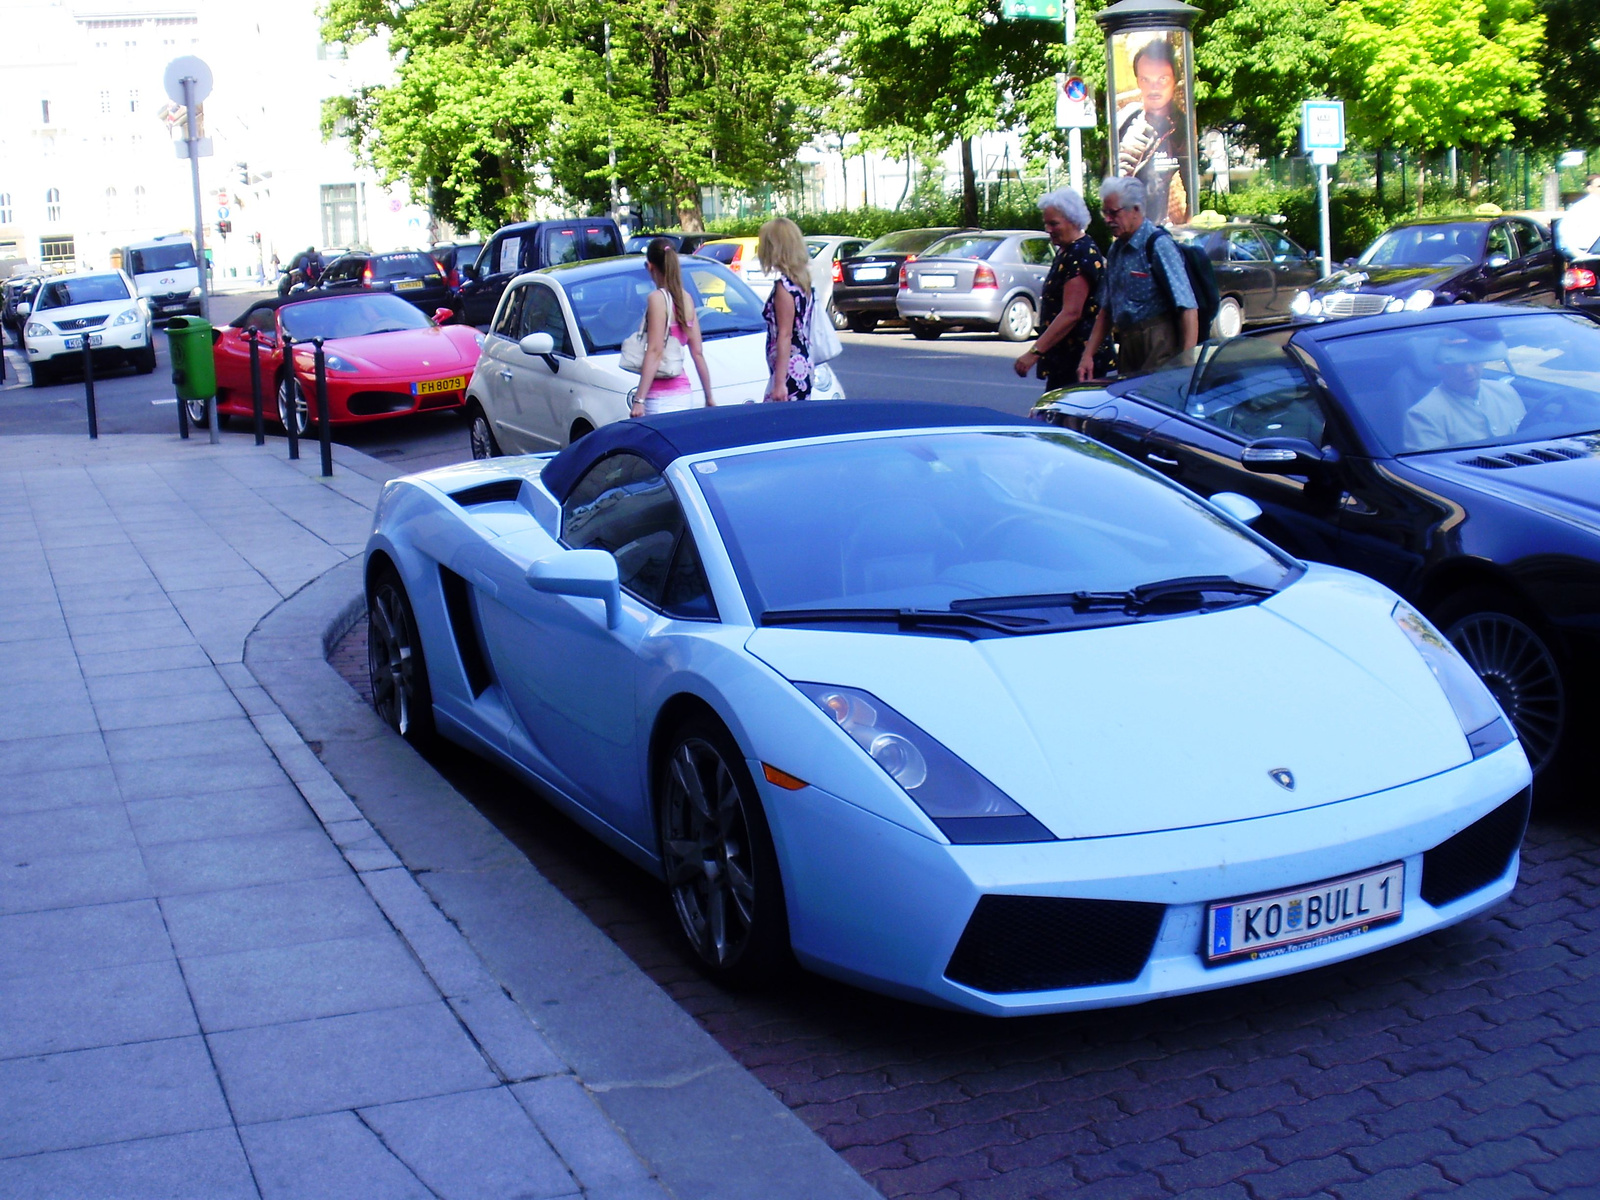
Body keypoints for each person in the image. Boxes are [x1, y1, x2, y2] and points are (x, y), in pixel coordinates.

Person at [1079, 176, 1198, 381]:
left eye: (1114, 213)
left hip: (1158, 342)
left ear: (1136, 210)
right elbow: (1106, 310)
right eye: (1104, 213)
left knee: (1154, 406)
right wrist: (1087, 355)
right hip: (1127, 343)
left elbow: (1188, 307)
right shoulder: (1116, 250)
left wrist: (1187, 363)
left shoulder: (1158, 245)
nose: (1107, 219)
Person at [1013, 187, 1112, 388]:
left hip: (1078, 361)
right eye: (1046, 224)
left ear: (1073, 221)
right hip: (1066, 359)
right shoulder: (1068, 251)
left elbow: (1071, 313)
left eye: (1054, 223)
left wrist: (1034, 353)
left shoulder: (1080, 253)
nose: (1048, 229)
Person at [630, 238, 714, 417]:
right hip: (684, 394)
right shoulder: (687, 299)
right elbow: (697, 352)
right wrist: (709, 396)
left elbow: (655, 350)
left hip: (659, 398)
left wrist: (639, 400)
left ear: (649, 267)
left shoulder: (657, 299)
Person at [1403, 331, 1524, 451]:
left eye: (1474, 361)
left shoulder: (1506, 392)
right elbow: (1436, 466)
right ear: (1441, 366)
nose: (1468, 371)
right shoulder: (1424, 415)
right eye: (1458, 364)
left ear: (1483, 361)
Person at [1115, 37, 1190, 226]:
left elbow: (1191, 187)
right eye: (1145, 79)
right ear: (1138, 81)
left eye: (1162, 79)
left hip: (1158, 229)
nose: (1153, 87)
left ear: (1175, 80)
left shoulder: (1181, 128)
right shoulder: (1125, 120)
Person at [757, 217, 814, 402]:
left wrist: (779, 383)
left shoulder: (784, 287)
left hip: (788, 371)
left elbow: (785, 334)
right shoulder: (801, 282)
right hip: (799, 365)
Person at [1557, 174, 1600, 260]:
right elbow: (1564, 236)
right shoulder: (1579, 208)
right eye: (1599, 186)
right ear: (1590, 188)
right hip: (1589, 257)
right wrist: (1581, 256)